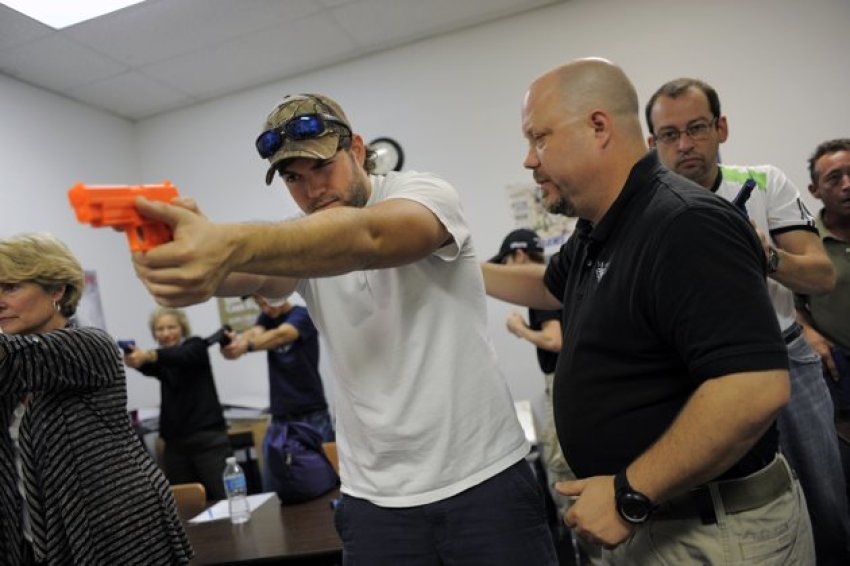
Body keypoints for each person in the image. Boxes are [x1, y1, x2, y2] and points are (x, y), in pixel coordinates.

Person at [131, 93, 557, 564]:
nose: (312, 190)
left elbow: (369, 238)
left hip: (484, 480)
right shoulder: (301, 243)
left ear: (356, 150)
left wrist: (225, 243)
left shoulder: (423, 193)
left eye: (321, 168)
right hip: (374, 501)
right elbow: (235, 275)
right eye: (294, 178)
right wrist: (175, 258)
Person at [483, 57, 813, 564]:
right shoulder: (601, 227)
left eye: (539, 138)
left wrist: (629, 493)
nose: (530, 160)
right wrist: (455, 266)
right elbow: (548, 286)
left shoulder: (683, 222)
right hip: (657, 523)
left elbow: (753, 388)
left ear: (598, 127)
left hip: (709, 531)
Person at [645, 78, 849, 564]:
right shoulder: (646, 209)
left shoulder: (761, 183)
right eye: (669, 135)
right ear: (652, 144)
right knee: (737, 514)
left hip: (784, 358)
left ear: (722, 127)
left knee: (826, 501)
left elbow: (821, 276)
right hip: (703, 378)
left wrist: (767, 257)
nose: (685, 144)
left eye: (696, 128)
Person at [0, 232, 192, 564]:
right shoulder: (13, 374)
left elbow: (21, 358)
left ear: (56, 290)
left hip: (121, 531)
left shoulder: (90, 345)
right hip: (39, 541)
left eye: (10, 287)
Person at [489, 229, 572, 506]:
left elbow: (553, 339)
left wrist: (520, 329)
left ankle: (583, 543)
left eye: (507, 264)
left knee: (560, 467)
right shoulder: (560, 280)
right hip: (572, 380)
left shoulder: (542, 290)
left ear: (520, 255)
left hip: (562, 383)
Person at [221, 293, 334, 492]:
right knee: (275, 485)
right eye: (259, 303)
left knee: (327, 477)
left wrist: (245, 347)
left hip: (312, 414)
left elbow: (282, 335)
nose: (264, 308)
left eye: (266, 301)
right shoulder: (266, 318)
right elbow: (253, 333)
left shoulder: (303, 315)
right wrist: (234, 343)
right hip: (281, 417)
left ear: (280, 295)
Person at [124, 307, 232, 501]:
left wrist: (146, 356)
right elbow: (147, 364)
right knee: (186, 506)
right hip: (175, 447)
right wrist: (135, 360)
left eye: (171, 327)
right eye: (160, 329)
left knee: (226, 498)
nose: (166, 333)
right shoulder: (163, 360)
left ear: (182, 328)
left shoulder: (196, 346)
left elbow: (181, 356)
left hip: (209, 442)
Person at [796, 138, 850, 504]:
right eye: (835, 178)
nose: (847, 184)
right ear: (815, 191)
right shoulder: (805, 243)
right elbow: (787, 302)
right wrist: (807, 332)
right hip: (840, 375)